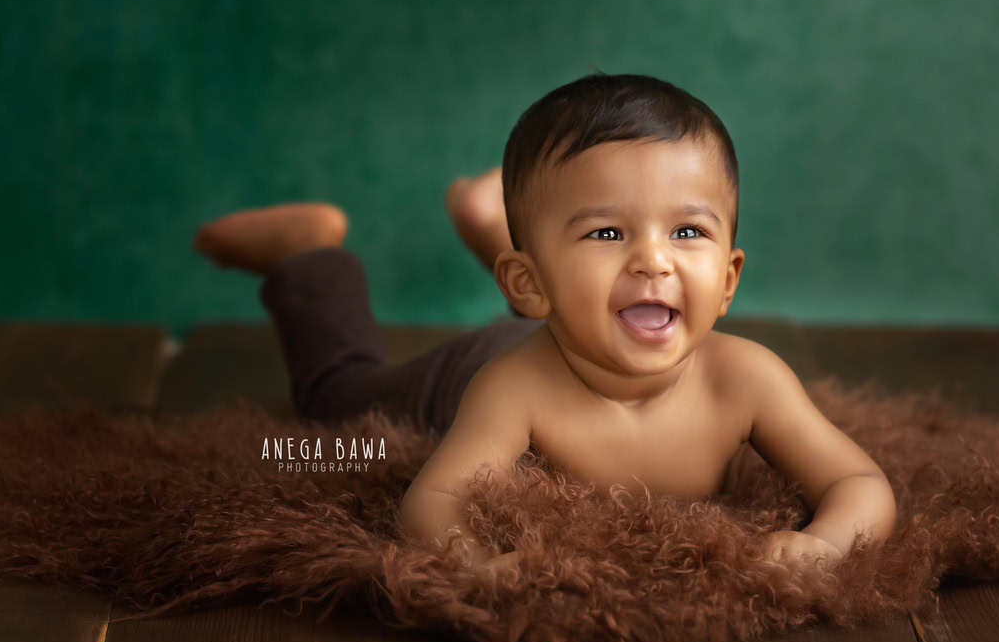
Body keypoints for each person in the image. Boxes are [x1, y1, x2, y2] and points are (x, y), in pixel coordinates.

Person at [193, 72, 897, 580]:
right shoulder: (511, 389)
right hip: (462, 375)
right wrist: (473, 562)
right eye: (606, 232)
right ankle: (309, 255)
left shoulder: (749, 378)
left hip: (565, 318)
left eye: (687, 230)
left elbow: (859, 484)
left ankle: (510, 231)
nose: (654, 259)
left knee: (588, 307)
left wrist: (828, 545)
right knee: (338, 398)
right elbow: (431, 501)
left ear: (729, 282)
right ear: (524, 283)